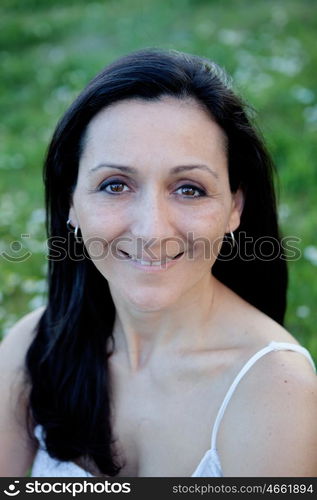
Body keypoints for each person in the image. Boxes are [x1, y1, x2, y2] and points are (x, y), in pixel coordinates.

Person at [0, 48, 316, 478]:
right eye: (115, 185)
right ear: (70, 202)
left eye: (189, 189)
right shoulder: (32, 348)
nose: (151, 231)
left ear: (235, 207)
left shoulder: (277, 393)